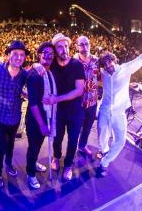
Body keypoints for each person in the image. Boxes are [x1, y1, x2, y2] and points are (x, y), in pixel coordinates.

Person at [97, 34, 142, 176]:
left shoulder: (125, 69)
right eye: (106, 64)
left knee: (120, 140)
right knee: (102, 136)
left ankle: (105, 161)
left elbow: (141, 58)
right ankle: (104, 151)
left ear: (114, 60)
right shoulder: (103, 72)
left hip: (118, 112)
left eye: (110, 62)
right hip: (104, 110)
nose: (108, 66)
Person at [42, 33, 85, 181]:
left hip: (75, 111)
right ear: (55, 49)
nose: (64, 49)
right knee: (57, 138)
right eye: (60, 46)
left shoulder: (76, 65)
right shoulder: (52, 65)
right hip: (58, 112)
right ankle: (56, 157)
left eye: (66, 46)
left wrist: (57, 98)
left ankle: (68, 166)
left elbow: (79, 90)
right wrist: (36, 65)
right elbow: (38, 64)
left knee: (73, 140)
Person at [0, 40, 29, 187]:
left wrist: (25, 94)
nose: (18, 57)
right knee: (1, 147)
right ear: (8, 55)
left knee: (10, 145)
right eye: (15, 54)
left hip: (15, 117)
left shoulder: (24, 74)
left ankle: (9, 164)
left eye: (22, 55)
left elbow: (22, 90)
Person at [25, 42, 56, 189]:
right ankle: (30, 174)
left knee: (37, 146)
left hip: (46, 115)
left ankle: (33, 163)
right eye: (45, 52)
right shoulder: (35, 74)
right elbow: (33, 103)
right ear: (39, 55)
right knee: (33, 146)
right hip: (35, 119)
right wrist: (42, 124)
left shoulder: (48, 72)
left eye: (51, 53)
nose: (49, 56)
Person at [74, 35, 100, 158]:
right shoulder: (72, 62)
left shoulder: (97, 61)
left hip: (93, 102)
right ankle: (71, 150)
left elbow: (105, 74)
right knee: (75, 129)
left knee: (87, 128)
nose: (85, 47)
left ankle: (82, 146)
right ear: (77, 46)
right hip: (78, 103)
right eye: (82, 45)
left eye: (87, 44)